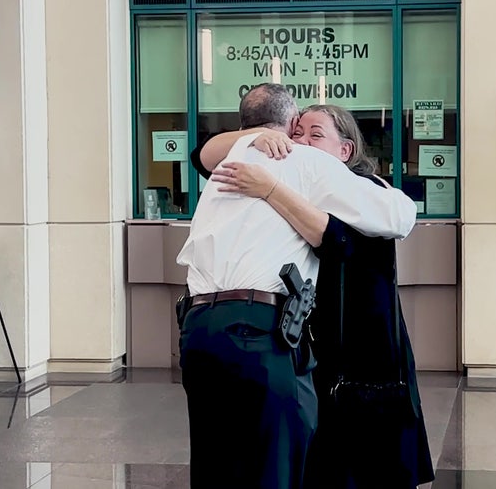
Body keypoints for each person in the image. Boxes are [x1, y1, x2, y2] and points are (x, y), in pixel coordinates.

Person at [176, 84, 417, 489]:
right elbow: (400, 217)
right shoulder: (304, 162)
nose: (302, 140)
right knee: (277, 465)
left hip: (198, 329)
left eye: (314, 133)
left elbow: (201, 153)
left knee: (216, 462)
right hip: (257, 333)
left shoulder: (230, 161)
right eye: (300, 130)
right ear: (289, 127)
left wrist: (260, 161)